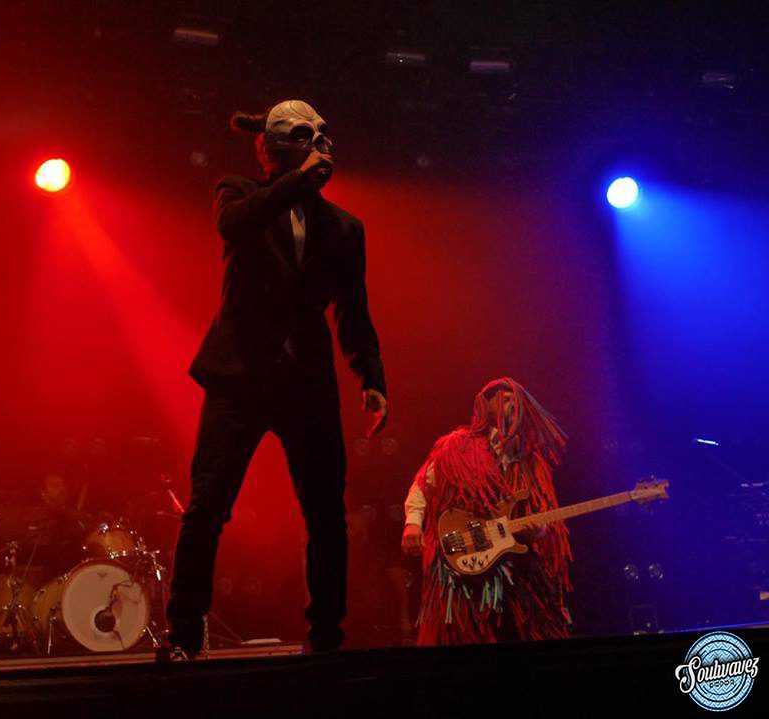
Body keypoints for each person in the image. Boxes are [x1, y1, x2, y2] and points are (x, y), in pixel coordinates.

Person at [166, 99, 389, 657]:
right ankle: (185, 631)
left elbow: (353, 309)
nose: (320, 148)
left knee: (326, 514)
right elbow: (235, 226)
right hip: (240, 377)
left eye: (323, 137)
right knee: (207, 507)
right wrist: (296, 182)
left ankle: (326, 637)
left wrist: (370, 374)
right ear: (274, 147)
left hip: (306, 384)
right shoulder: (239, 193)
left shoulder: (344, 228)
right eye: (305, 138)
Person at [401, 377, 573, 645]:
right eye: (504, 399)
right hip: (462, 559)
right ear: (486, 405)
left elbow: (543, 513)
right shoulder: (456, 446)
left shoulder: (530, 461)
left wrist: (538, 531)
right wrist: (413, 523)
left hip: (512, 565)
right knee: (460, 636)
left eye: (515, 400)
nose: (511, 404)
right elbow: (423, 485)